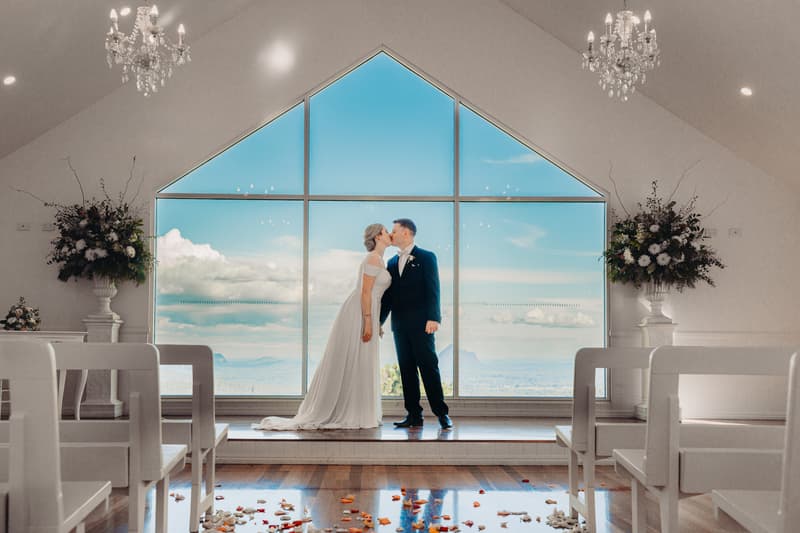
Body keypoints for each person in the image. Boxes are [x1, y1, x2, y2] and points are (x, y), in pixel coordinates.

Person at [253, 223, 392, 430]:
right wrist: (368, 321)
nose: (390, 234)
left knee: (361, 361)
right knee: (356, 358)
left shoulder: (379, 260)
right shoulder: (373, 258)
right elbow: (365, 293)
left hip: (367, 311)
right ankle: (348, 412)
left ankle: (360, 410)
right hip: (359, 312)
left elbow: (373, 296)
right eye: (386, 231)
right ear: (379, 236)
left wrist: (375, 322)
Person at [380, 218, 452, 430]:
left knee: (429, 368)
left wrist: (434, 318)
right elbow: (388, 297)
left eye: (394, 231)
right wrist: (379, 321)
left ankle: (442, 414)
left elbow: (433, 288)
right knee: (407, 370)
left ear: (406, 233)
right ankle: (413, 415)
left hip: (423, 324)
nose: (391, 235)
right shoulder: (392, 262)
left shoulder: (427, 257)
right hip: (400, 326)